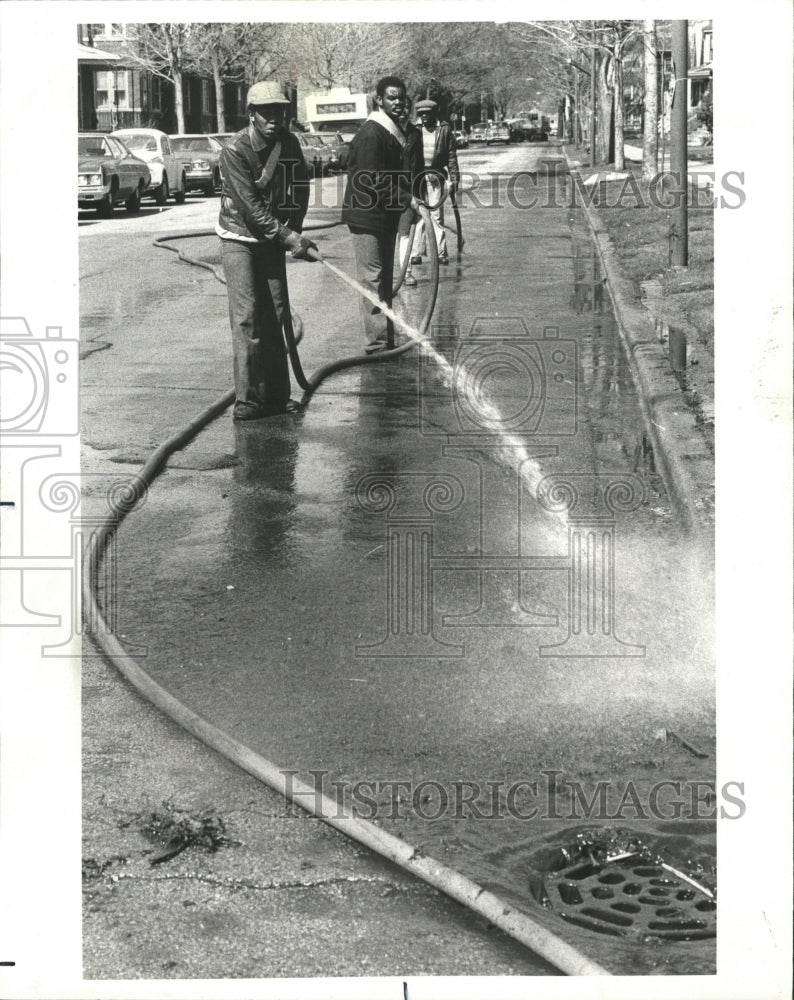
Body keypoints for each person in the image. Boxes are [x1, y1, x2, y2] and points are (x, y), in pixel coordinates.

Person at [217, 80, 318, 420]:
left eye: (280, 111)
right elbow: (250, 208)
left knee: (277, 314)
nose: (274, 118)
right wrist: (289, 238)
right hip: (239, 237)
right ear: (251, 115)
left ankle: (276, 396)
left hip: (273, 237)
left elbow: (300, 187)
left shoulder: (289, 143)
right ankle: (247, 400)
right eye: (266, 112)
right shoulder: (234, 151)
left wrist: (297, 230)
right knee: (247, 319)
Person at [341, 76, 418, 353]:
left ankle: (386, 336)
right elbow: (372, 179)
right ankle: (377, 341)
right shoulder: (373, 133)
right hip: (366, 216)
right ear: (380, 101)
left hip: (383, 214)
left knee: (384, 279)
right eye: (391, 98)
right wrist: (406, 199)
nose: (398, 103)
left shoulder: (394, 130)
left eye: (401, 98)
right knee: (373, 279)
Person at [412, 99, 460, 266]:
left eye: (427, 113)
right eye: (421, 114)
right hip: (417, 178)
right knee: (418, 215)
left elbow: (451, 157)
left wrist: (454, 179)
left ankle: (440, 253)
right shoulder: (413, 129)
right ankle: (416, 253)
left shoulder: (445, 130)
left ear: (435, 113)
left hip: (436, 177)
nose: (424, 116)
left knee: (436, 216)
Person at [396, 97, 423, 287]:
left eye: (407, 108)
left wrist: (419, 193)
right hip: (388, 190)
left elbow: (419, 165)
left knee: (405, 234)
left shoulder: (415, 133)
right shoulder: (386, 130)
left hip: (409, 190)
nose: (404, 111)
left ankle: (406, 273)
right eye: (401, 107)